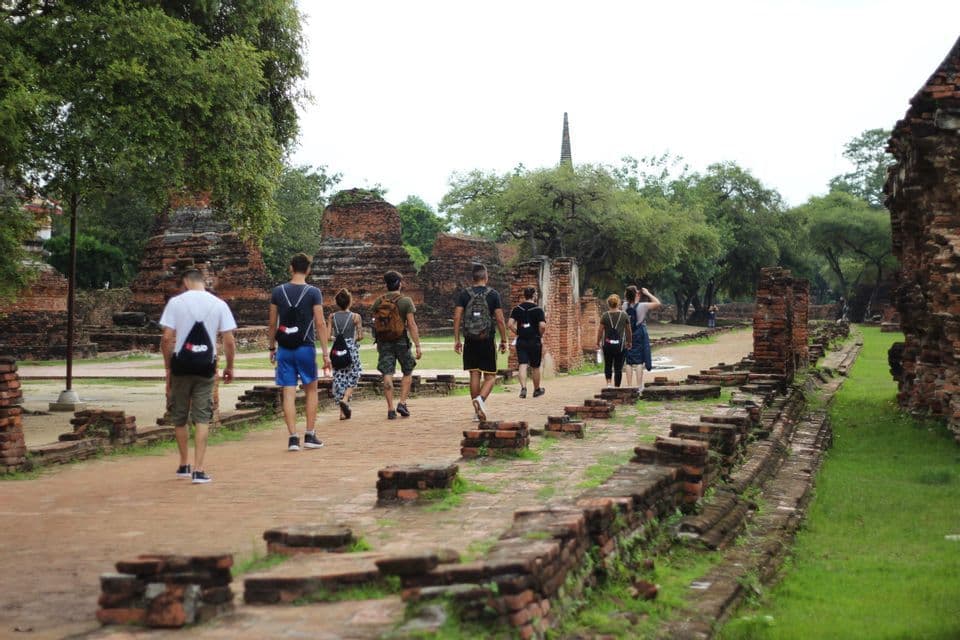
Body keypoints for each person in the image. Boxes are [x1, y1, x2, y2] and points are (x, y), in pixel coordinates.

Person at [160, 269, 237, 484]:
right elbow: (229, 341)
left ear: (185, 282)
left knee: (180, 416)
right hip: (206, 367)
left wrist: (168, 368)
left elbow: (166, 339)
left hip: (181, 366)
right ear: (204, 282)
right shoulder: (219, 304)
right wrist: (230, 367)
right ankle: (199, 468)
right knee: (202, 417)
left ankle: (183, 463)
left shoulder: (176, 303)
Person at [268, 253, 330, 452]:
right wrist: (326, 353)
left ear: (290, 268)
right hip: (305, 346)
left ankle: (293, 437)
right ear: (309, 270)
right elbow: (320, 323)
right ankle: (310, 434)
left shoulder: (278, 291)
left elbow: (272, 324)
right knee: (311, 390)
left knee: (288, 391)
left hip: (285, 348)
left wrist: (271, 347)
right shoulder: (313, 292)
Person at [453, 264, 508, 420]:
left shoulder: (464, 294)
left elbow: (457, 317)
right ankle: (480, 400)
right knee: (490, 376)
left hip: (470, 339)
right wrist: (504, 339)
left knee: (474, 374)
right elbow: (500, 319)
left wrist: (457, 339)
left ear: (473, 278)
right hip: (487, 338)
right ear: (486, 277)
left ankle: (477, 412)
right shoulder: (493, 295)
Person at [371, 271, 422, 420]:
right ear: (399, 284)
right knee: (407, 371)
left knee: (387, 373)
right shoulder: (406, 301)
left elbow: (376, 322)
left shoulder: (378, 302)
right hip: (401, 340)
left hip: (384, 341)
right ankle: (402, 402)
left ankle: (390, 409)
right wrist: (418, 345)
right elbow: (411, 324)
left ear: (386, 285)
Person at [328, 288, 363, 420]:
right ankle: (346, 399)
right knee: (354, 375)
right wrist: (351, 339)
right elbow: (360, 336)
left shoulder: (332, 317)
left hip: (337, 349)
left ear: (337, 303)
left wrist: (337, 339)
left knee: (339, 378)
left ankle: (342, 412)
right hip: (351, 349)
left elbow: (327, 336)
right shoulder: (355, 317)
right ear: (350, 302)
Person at [508, 286, 546, 398]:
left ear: (524, 295)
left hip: (521, 340)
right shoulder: (538, 310)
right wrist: (540, 334)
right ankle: (536, 389)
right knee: (535, 366)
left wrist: (518, 332)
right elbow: (543, 325)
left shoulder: (517, 309)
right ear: (534, 295)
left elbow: (510, 324)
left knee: (522, 364)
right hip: (534, 340)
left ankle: (523, 388)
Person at [623, 286, 661, 391]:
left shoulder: (624, 306)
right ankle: (639, 386)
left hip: (628, 333)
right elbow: (658, 303)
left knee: (629, 361)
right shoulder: (642, 306)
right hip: (639, 333)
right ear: (636, 294)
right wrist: (648, 293)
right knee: (639, 361)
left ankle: (629, 386)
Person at [597, 293, 632, 388]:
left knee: (608, 364)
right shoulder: (624, 315)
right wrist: (629, 342)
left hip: (607, 345)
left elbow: (600, 330)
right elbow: (628, 330)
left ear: (608, 304)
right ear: (618, 303)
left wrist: (598, 342)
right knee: (618, 367)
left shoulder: (605, 316)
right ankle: (617, 386)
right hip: (620, 346)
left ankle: (608, 383)